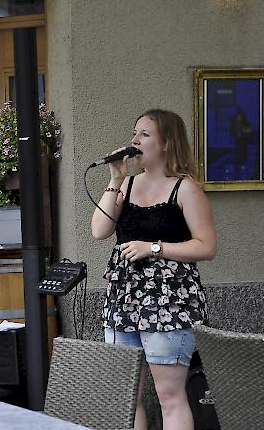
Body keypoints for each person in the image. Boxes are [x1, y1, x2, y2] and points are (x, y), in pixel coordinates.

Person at [91, 109, 216, 430]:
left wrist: (154, 247)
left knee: (168, 394)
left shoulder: (185, 188)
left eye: (144, 134)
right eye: (135, 133)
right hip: (124, 299)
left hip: (169, 301)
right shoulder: (128, 185)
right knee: (126, 395)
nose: (134, 140)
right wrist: (115, 179)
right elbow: (100, 230)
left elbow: (206, 246)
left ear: (166, 143)